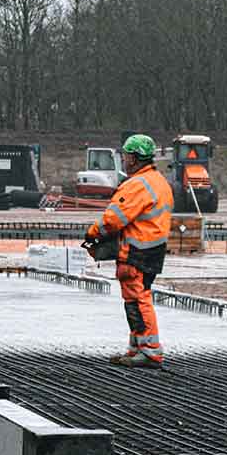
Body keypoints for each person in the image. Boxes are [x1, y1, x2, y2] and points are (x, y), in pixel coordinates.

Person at [86, 134, 173, 369]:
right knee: (134, 299)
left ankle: (151, 351)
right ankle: (137, 348)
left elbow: (113, 220)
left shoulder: (137, 185)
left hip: (137, 251)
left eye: (125, 156)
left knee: (139, 298)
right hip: (151, 249)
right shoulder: (159, 181)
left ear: (134, 159)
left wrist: (92, 234)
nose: (123, 160)